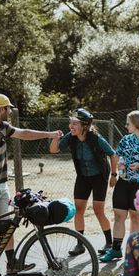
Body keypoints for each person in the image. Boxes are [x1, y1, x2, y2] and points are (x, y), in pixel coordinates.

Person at [0, 94, 62, 276]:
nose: (9, 111)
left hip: (1, 185)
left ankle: (12, 264)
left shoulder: (2, 127)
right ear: (1, 109)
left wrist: (49, 135)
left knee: (7, 226)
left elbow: (24, 133)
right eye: (8, 108)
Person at [49, 108, 118, 255]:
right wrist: (55, 137)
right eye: (70, 123)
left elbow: (113, 154)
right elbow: (54, 150)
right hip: (83, 177)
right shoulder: (71, 137)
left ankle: (109, 243)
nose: (71, 126)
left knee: (98, 210)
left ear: (84, 126)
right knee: (79, 209)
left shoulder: (97, 139)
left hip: (99, 177)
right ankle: (80, 245)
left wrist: (113, 174)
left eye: (75, 123)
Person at [100, 111, 139, 262]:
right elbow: (118, 155)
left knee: (135, 217)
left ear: (137, 123)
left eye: (128, 123)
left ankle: (134, 251)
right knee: (119, 215)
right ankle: (115, 250)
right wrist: (120, 164)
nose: (126, 125)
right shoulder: (126, 139)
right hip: (123, 182)